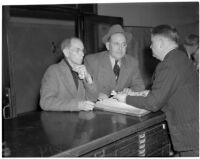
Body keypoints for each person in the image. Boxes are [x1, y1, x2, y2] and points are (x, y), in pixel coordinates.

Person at [114, 25, 199, 156]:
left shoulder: (167, 65)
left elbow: (154, 104)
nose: (150, 47)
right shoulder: (180, 57)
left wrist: (125, 98)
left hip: (191, 135)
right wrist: (146, 93)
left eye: (152, 43)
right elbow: (173, 89)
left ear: (160, 43)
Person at [84, 24, 145, 99]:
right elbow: (83, 87)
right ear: (108, 46)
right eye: (116, 44)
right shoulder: (91, 61)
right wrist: (97, 95)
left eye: (124, 44)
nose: (120, 48)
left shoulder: (132, 62)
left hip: (120, 107)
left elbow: (140, 86)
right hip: (96, 106)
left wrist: (131, 91)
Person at [40, 37, 97, 111]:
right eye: (78, 50)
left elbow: (93, 99)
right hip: (61, 121)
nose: (82, 54)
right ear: (66, 52)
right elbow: (45, 102)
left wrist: (88, 78)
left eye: (83, 50)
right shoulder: (54, 71)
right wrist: (77, 105)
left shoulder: (84, 69)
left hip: (82, 120)